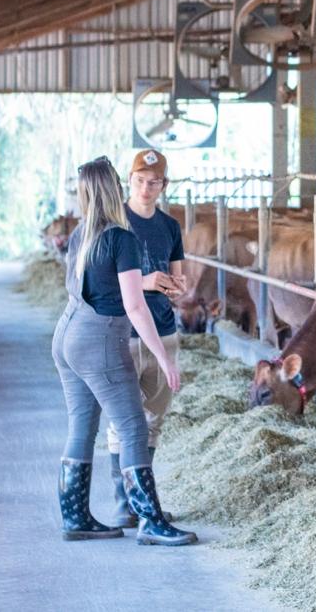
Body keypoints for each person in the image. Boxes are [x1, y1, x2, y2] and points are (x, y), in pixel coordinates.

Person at [51, 156, 196, 546]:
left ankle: (75, 516)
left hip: (68, 333)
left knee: (83, 426)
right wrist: (164, 358)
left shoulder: (83, 232)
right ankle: (149, 520)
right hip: (100, 338)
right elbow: (135, 307)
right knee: (133, 426)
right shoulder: (121, 237)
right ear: (117, 187)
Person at [104, 150, 189, 528]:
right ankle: (124, 502)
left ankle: (142, 501)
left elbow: (179, 275)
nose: (146, 187)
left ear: (163, 185)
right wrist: (145, 281)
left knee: (153, 417)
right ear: (129, 180)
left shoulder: (170, 227)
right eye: (140, 180)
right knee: (123, 419)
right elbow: (101, 281)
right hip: (123, 331)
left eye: (154, 181)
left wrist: (176, 287)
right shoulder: (113, 223)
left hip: (163, 330)